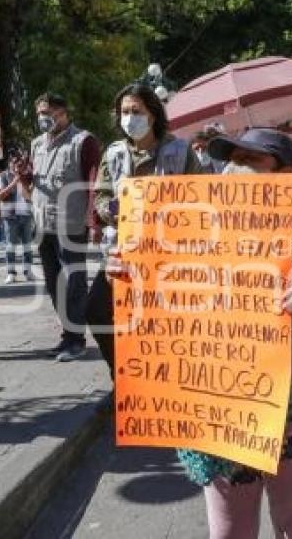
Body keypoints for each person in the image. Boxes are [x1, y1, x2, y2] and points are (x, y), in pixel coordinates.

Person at [106, 129, 292, 538]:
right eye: (231, 158)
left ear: (286, 174)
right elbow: (164, 307)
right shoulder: (192, 234)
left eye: (252, 160)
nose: (236, 168)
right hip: (219, 421)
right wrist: (131, 275)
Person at [86, 83, 203, 376]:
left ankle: (160, 384)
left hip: (169, 258)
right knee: (96, 312)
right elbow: (100, 196)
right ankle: (123, 376)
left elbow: (203, 196)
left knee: (160, 325)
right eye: (124, 112)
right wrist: (114, 212)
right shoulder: (112, 154)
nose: (129, 118)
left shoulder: (181, 151)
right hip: (121, 256)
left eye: (136, 111)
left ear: (152, 114)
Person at [29, 92, 102, 362]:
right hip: (42, 225)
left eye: (47, 113)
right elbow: (32, 187)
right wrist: (23, 176)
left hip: (71, 224)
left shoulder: (84, 141)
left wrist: (94, 221)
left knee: (74, 282)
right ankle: (67, 334)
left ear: (63, 113)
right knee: (53, 282)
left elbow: (94, 184)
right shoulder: (37, 144)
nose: (43, 119)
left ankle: (76, 340)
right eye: (39, 114)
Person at [0, 147, 35, 284]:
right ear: (9, 163)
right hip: (10, 216)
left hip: (26, 215)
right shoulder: (2, 176)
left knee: (27, 245)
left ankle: (28, 271)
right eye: (14, 162)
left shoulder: (28, 177)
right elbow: (0, 195)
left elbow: (30, 197)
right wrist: (14, 181)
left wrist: (22, 180)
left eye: (19, 162)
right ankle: (11, 273)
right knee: (10, 246)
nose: (17, 164)